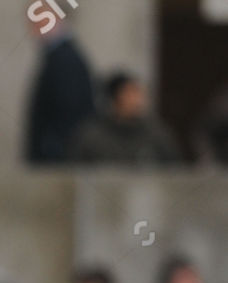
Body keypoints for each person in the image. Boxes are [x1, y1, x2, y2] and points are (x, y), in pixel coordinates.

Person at [24, 6, 94, 164]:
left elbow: (70, 111)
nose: (33, 25)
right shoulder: (56, 56)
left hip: (58, 159)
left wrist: (50, 148)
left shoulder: (65, 59)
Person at [68, 71, 180, 166]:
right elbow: (74, 169)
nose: (137, 100)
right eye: (129, 94)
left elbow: (174, 169)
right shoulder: (91, 136)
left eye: (138, 93)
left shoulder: (156, 133)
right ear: (114, 98)